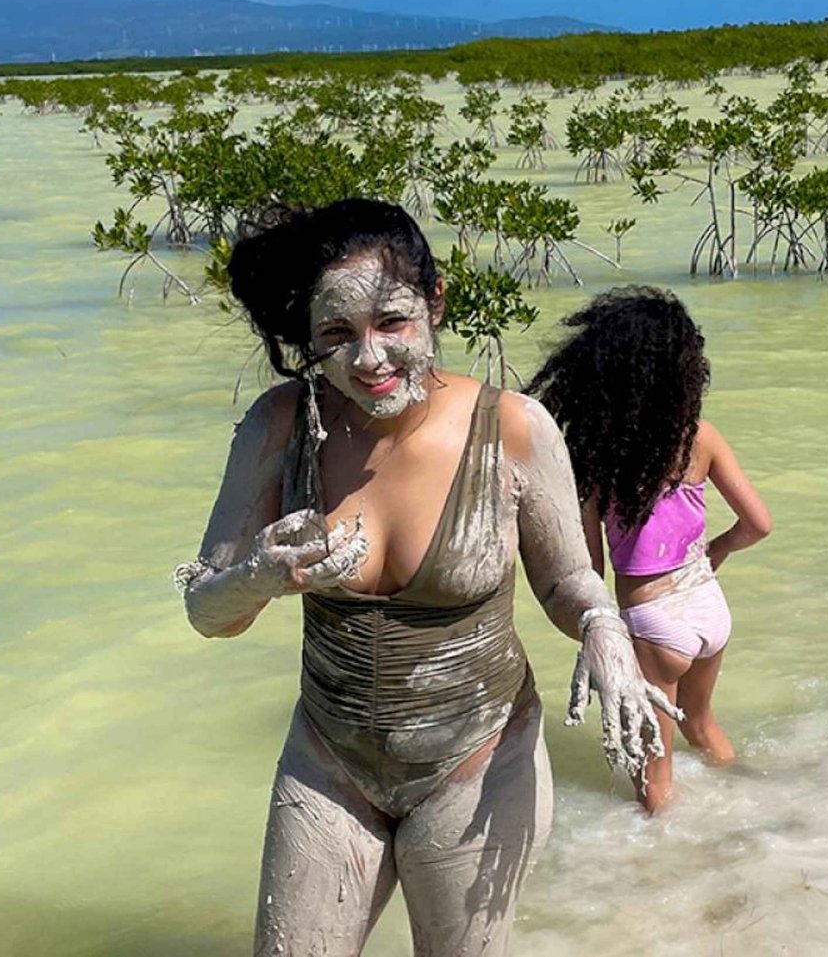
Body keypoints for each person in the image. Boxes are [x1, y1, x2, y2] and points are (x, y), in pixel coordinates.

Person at [173, 199, 675, 956]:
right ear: (309, 338)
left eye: (392, 322)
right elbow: (207, 610)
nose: (369, 359)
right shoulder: (279, 425)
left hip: (479, 761)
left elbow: (569, 576)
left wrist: (605, 628)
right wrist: (259, 575)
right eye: (337, 335)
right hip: (328, 759)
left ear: (435, 303)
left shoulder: (513, 427)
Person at [528, 286, 772, 814]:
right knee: (704, 728)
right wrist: (721, 550)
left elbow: (588, 570)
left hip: (654, 623)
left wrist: (599, 636)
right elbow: (758, 523)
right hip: (708, 604)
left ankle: (663, 875)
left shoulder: (593, 459)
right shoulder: (700, 438)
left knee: (653, 778)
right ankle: (757, 811)